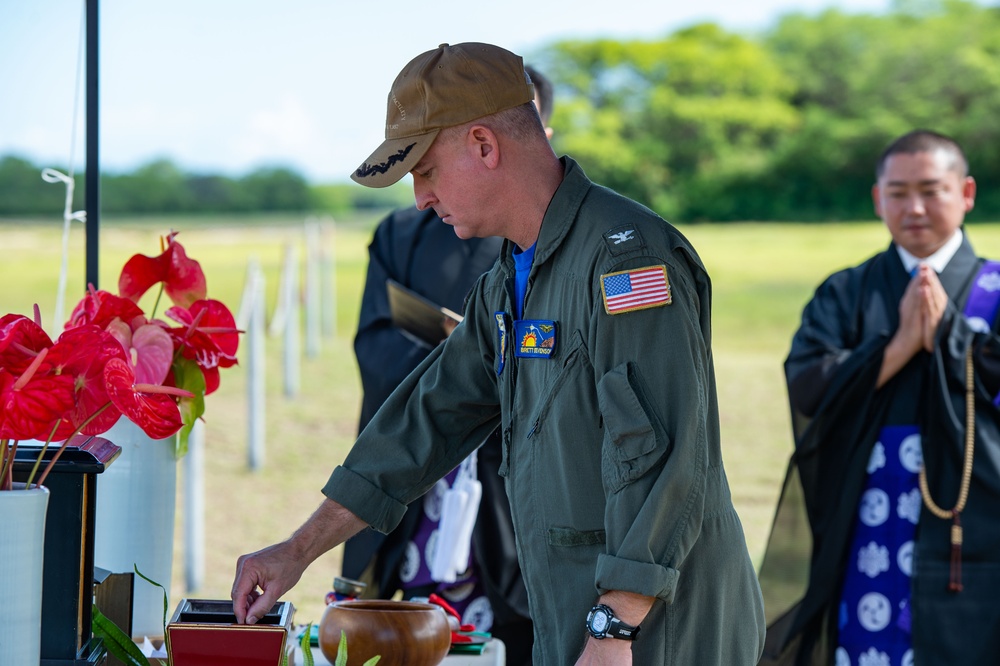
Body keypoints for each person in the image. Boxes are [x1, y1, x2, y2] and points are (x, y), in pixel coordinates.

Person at [232, 42, 765, 665]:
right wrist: (297, 548)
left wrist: (614, 629)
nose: (420, 200)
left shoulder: (626, 259)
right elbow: (426, 420)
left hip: (661, 624)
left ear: (484, 145)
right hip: (585, 614)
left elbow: (668, 458)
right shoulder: (513, 275)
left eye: (425, 171)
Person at [758, 130, 1000, 665]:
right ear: (877, 199)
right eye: (898, 192)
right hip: (864, 511)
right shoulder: (847, 290)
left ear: (966, 193)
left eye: (932, 190)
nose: (913, 208)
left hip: (973, 524)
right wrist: (896, 349)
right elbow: (808, 382)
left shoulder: (996, 290)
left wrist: (950, 340)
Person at [342, 65, 554, 666]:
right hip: (419, 475)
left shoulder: (565, 242)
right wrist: (467, 364)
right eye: (419, 174)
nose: (426, 197)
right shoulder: (401, 235)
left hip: (513, 489)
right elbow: (377, 345)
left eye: (429, 172)